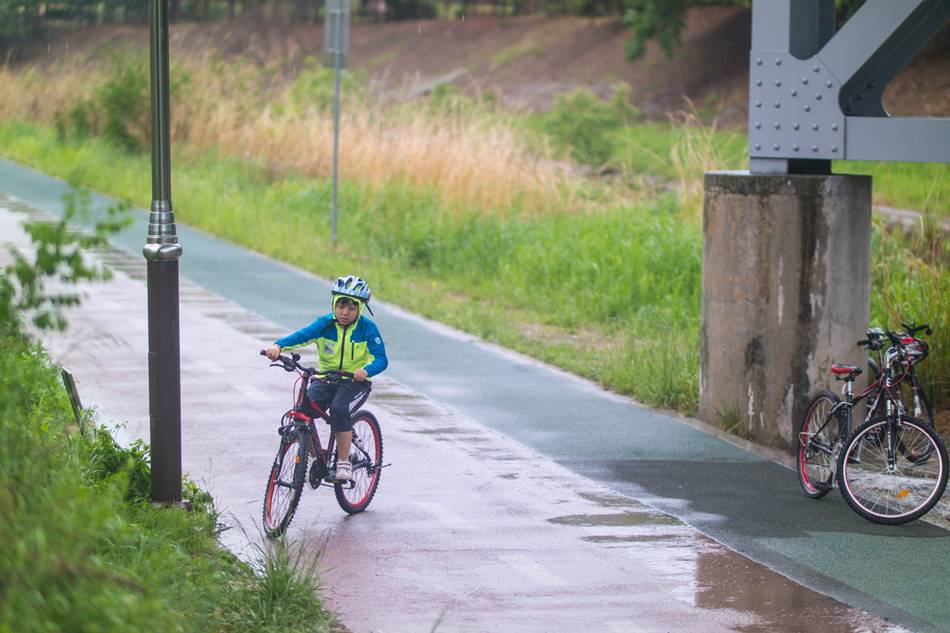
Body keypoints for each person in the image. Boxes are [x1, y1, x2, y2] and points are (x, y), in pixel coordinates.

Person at [264, 275, 388, 481]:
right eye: (340, 305)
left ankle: (344, 461)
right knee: (302, 410)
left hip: (354, 383)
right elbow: (302, 335)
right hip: (325, 378)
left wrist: (365, 371)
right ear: (334, 304)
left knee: (339, 409)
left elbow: (381, 359)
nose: (345, 312)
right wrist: (278, 346)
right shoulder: (325, 324)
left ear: (360, 309)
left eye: (351, 307)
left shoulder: (368, 329)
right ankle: (312, 458)